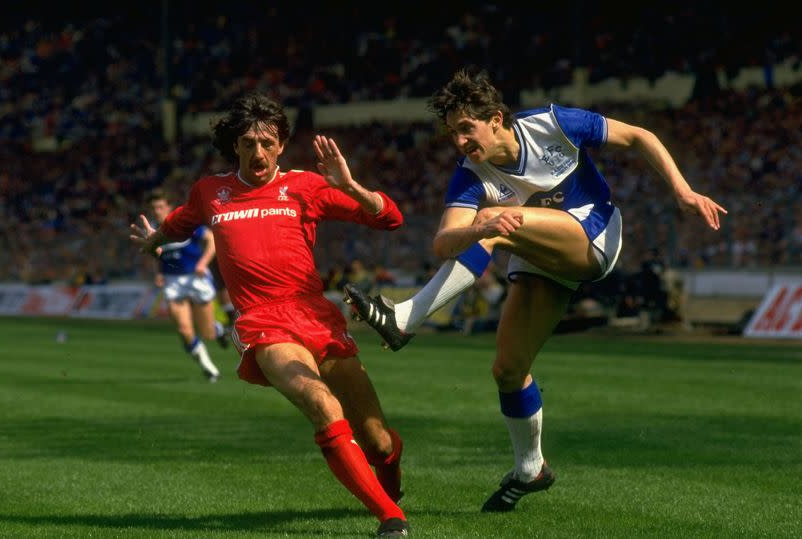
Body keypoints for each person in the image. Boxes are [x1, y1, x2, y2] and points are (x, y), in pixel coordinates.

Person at [344, 68, 727, 513]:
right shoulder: (470, 173)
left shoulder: (552, 123)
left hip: (595, 235)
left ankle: (404, 320)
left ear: (497, 119)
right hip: (539, 256)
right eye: (452, 133)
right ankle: (531, 468)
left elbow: (639, 136)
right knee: (508, 369)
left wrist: (682, 191)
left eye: (466, 129)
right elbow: (444, 241)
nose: (460, 142)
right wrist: (481, 225)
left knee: (499, 225)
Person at [129, 92, 409, 537]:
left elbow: (390, 219)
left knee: (377, 439)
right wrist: (153, 240)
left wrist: (351, 187)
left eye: (267, 142)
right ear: (234, 147)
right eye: (247, 143)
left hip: (316, 316)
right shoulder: (210, 193)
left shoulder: (306, 186)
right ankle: (390, 519)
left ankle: (389, 490)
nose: (257, 152)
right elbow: (177, 223)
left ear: (280, 145)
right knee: (322, 405)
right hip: (263, 322)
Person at [146, 188, 229, 383]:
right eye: (153, 208)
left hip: (196, 278)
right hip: (172, 282)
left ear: (168, 207)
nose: (157, 211)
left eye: (160, 207)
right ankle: (209, 368)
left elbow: (212, 241)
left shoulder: (182, 221)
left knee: (207, 332)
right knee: (184, 330)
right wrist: (157, 272)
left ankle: (219, 330)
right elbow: (152, 253)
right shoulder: (152, 228)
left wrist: (202, 263)